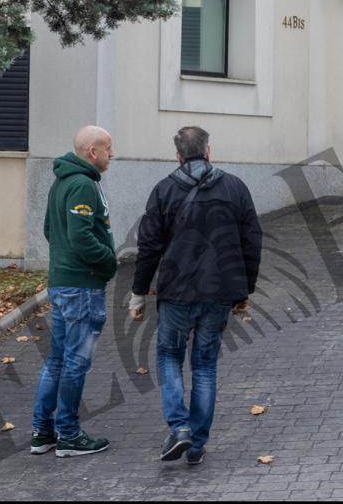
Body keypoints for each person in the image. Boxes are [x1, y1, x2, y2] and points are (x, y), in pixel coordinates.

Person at [129, 126, 262, 465]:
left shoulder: (164, 190)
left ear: (177, 155)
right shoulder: (235, 187)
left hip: (176, 293)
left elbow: (148, 247)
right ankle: (198, 444)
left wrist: (138, 293)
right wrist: (245, 287)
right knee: (204, 366)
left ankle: (179, 427)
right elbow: (252, 240)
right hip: (219, 293)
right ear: (208, 151)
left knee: (169, 358)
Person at [30, 125, 117, 458]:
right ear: (92, 152)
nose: (113, 153)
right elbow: (81, 236)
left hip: (63, 283)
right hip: (82, 286)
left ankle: (43, 432)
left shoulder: (63, 182)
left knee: (57, 360)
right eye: (108, 148)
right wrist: (108, 262)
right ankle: (68, 434)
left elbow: (50, 230)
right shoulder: (82, 184)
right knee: (75, 364)